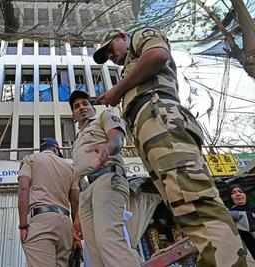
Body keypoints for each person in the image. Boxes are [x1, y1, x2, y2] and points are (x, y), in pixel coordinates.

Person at [94, 27, 248, 266]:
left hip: (161, 119)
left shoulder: (140, 37)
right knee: (184, 207)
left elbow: (158, 56)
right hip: (151, 128)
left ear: (121, 36)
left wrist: (118, 90)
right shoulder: (131, 67)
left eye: (108, 50)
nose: (110, 58)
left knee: (194, 200)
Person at [69, 90, 141, 267]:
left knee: (108, 240)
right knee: (93, 252)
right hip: (86, 191)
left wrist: (108, 147)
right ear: (73, 115)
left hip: (107, 178)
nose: (82, 108)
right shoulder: (77, 140)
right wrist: (76, 216)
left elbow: (116, 141)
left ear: (92, 108)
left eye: (85, 103)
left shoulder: (104, 116)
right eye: (77, 106)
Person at [18, 137, 80, 267]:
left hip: (42, 221)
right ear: (56, 149)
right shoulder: (70, 167)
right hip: (65, 224)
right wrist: (75, 231)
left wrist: (23, 226)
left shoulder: (30, 159)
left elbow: (24, 189)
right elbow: (75, 201)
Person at [229, 185, 255, 259]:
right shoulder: (229, 215)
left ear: (245, 195)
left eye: (240, 191)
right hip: (248, 254)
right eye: (233, 192)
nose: (238, 194)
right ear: (230, 197)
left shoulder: (253, 208)